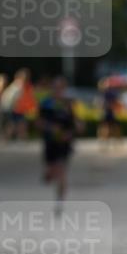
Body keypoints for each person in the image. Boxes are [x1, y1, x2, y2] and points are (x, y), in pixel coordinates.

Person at [37, 77, 77, 209]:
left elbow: (74, 123)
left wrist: (70, 133)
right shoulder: (45, 104)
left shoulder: (68, 104)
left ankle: (60, 200)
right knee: (51, 171)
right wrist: (50, 128)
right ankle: (49, 174)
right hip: (50, 142)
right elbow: (38, 122)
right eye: (56, 88)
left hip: (64, 144)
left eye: (61, 88)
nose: (58, 90)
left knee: (62, 171)